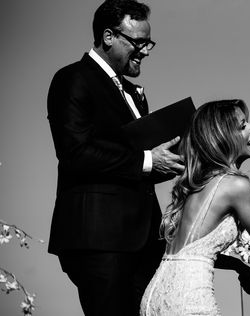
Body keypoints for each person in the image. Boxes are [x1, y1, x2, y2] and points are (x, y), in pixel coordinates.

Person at [46, 1, 183, 315]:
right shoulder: (73, 79)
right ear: (108, 36)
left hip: (143, 239)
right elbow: (75, 153)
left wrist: (173, 160)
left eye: (149, 43)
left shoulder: (134, 92)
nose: (145, 51)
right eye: (138, 43)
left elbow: (133, 162)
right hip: (100, 238)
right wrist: (148, 161)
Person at [140, 99, 250, 315]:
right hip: (189, 298)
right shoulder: (236, 185)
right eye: (242, 125)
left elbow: (192, 253)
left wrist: (239, 266)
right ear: (222, 137)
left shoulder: (196, 185)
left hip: (154, 296)